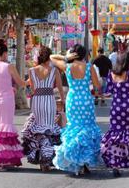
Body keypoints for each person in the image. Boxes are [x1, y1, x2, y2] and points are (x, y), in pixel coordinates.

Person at [51, 44, 102, 175]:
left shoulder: (67, 66)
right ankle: (85, 162)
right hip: (85, 99)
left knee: (74, 128)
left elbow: (51, 57)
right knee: (86, 129)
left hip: (72, 100)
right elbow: (97, 85)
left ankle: (76, 162)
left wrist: (65, 57)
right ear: (84, 54)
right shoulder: (89, 67)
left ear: (73, 54)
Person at [22, 46, 65, 171]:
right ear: (49, 57)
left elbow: (33, 88)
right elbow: (60, 88)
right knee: (49, 129)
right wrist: (63, 100)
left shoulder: (32, 70)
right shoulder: (54, 70)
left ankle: (41, 158)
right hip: (49, 100)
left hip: (37, 100)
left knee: (39, 129)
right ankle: (46, 160)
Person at [0, 40, 26, 172]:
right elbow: (20, 83)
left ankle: (1, 159)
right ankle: (0, 161)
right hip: (7, 99)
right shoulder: (9, 66)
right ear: (4, 53)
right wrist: (29, 81)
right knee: (6, 128)